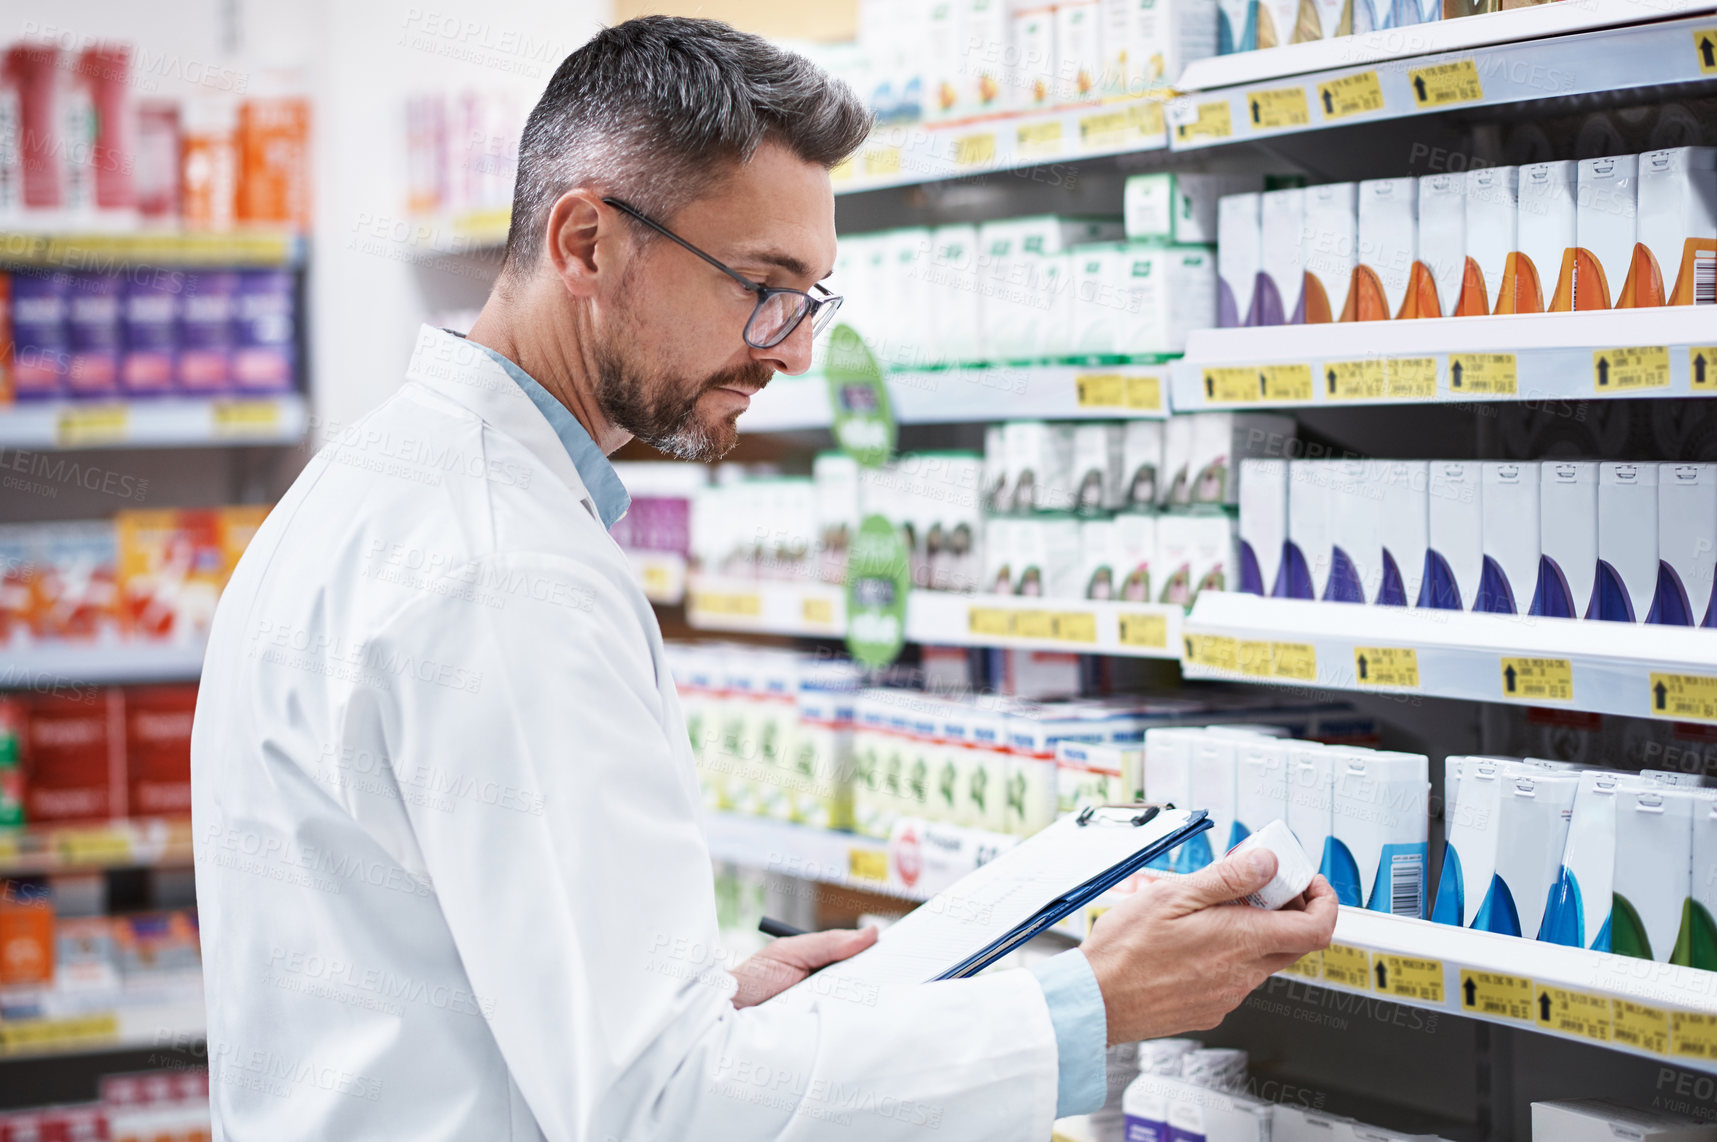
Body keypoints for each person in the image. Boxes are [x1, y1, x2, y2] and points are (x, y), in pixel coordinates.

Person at [191, 16, 1337, 1140]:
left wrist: (707, 1002)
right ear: (584, 242)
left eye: (812, 297)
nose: (793, 347)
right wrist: (1093, 1002)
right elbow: (663, 1107)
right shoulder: (500, 571)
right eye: (762, 283)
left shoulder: (377, 484)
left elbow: (451, 975)